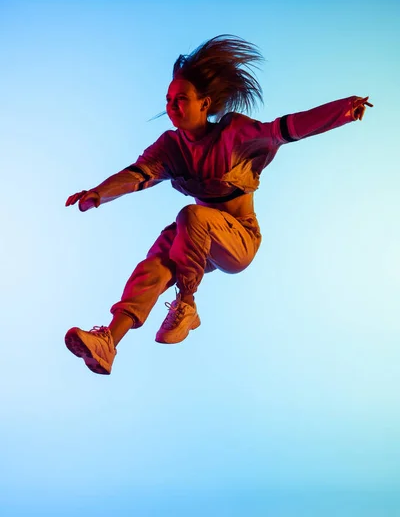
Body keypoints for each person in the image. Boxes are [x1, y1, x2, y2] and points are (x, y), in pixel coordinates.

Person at [64, 35, 372, 375]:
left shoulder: (235, 134)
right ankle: (109, 341)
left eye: (182, 99)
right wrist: (98, 193)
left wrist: (342, 110)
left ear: (205, 103)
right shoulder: (170, 147)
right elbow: (138, 174)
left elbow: (286, 129)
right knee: (156, 260)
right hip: (198, 239)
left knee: (192, 215)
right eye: (168, 100)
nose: (173, 106)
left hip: (239, 240)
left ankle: (187, 303)